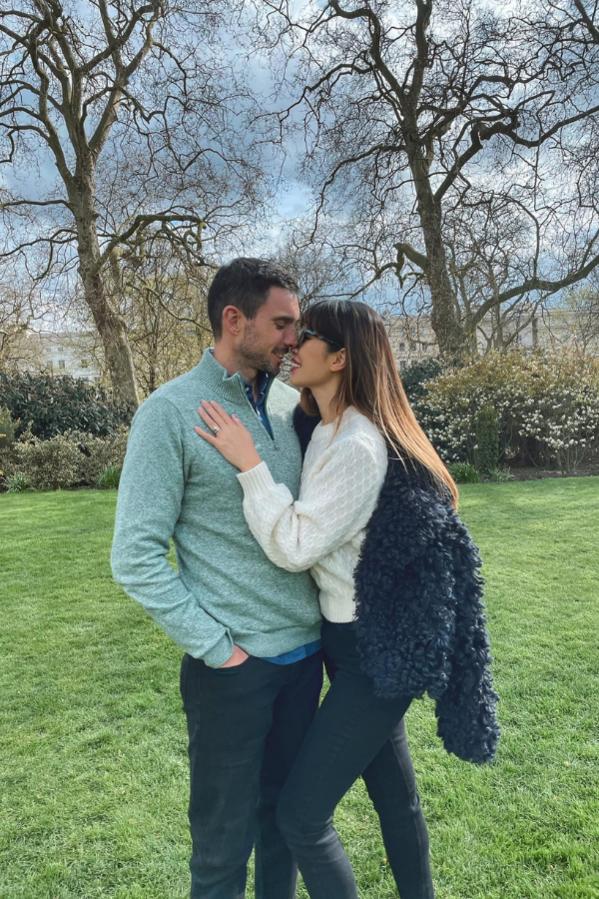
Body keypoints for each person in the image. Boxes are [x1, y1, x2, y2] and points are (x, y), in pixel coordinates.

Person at [196, 299, 499, 899]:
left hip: (373, 650)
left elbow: (296, 544)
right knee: (396, 799)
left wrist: (249, 464)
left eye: (305, 334)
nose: (291, 343)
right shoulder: (321, 429)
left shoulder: (358, 444)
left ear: (339, 358)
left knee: (301, 818)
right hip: (343, 640)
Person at [111, 258, 324, 899]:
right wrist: (218, 649)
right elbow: (135, 556)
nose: (294, 338)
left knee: (285, 829)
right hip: (233, 673)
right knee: (222, 846)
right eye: (281, 324)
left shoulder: (290, 404)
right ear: (235, 320)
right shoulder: (169, 412)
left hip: (306, 660)